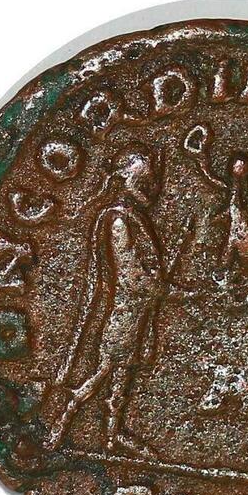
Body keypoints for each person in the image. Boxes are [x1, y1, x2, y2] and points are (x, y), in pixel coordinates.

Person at [45, 143, 165, 457]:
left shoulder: (133, 217)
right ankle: (61, 423)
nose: (151, 186)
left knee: (121, 378)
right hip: (123, 314)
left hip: (136, 314)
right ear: (126, 179)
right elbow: (131, 276)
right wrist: (163, 288)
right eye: (144, 179)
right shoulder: (118, 221)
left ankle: (112, 436)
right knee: (103, 372)